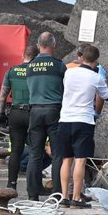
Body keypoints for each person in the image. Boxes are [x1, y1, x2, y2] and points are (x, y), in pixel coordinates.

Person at [59, 44, 108, 208]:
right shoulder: (96, 77)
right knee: (80, 160)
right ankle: (76, 197)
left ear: (81, 57)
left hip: (65, 119)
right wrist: (102, 78)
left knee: (66, 160)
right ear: (96, 61)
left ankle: (63, 196)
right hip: (84, 121)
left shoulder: (68, 72)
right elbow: (107, 96)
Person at [25, 32, 66, 200]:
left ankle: (33, 194)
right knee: (57, 154)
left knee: (35, 154)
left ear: (38, 45)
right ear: (54, 45)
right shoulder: (59, 66)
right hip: (54, 111)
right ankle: (56, 194)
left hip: (34, 111)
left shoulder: (30, 66)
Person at [0, 44, 42, 191]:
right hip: (32, 113)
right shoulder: (37, 73)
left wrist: (1, 114)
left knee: (16, 150)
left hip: (15, 113)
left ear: (23, 56)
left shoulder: (12, 71)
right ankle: (34, 186)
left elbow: (2, 96)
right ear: (35, 58)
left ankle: (11, 184)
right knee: (36, 151)